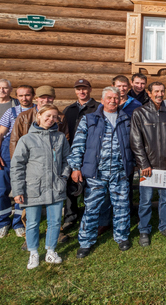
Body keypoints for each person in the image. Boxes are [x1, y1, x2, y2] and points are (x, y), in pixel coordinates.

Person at [69, 87, 135, 258]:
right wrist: (75, 167)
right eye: (109, 98)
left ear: (121, 100)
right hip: (96, 173)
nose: (113, 101)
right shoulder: (90, 119)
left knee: (121, 206)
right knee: (91, 208)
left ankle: (122, 237)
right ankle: (85, 241)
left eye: (116, 98)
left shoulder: (126, 119)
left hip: (119, 172)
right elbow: (78, 144)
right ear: (103, 99)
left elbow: (133, 145)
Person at [11, 105, 71, 269]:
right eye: (48, 115)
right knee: (32, 222)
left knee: (54, 221)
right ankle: (34, 253)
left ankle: (51, 251)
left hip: (55, 187)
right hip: (33, 188)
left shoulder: (59, 138)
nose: (51, 119)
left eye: (54, 117)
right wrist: (17, 190)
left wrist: (63, 177)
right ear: (39, 116)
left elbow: (67, 160)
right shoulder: (26, 140)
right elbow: (17, 166)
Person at [130, 82, 166, 246]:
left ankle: (164, 226)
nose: (159, 94)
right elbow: (136, 141)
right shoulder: (140, 113)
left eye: (162, 91)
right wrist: (143, 164)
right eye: (156, 91)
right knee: (145, 200)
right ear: (149, 94)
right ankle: (144, 229)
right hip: (148, 168)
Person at [0, 85, 34, 238]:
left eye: (27, 95)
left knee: (22, 189)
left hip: (28, 153)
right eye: (21, 95)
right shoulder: (11, 112)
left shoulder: (39, 112)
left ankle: (19, 223)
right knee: (1, 189)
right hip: (7, 152)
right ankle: (2, 223)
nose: (24, 98)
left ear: (33, 96)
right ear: (17, 97)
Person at [62, 79, 99, 231]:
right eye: (79, 89)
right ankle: (70, 217)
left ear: (90, 89)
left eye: (84, 88)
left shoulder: (97, 108)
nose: (81, 92)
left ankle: (89, 216)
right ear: (75, 91)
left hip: (91, 153)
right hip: (72, 153)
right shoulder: (69, 110)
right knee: (71, 186)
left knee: (90, 186)